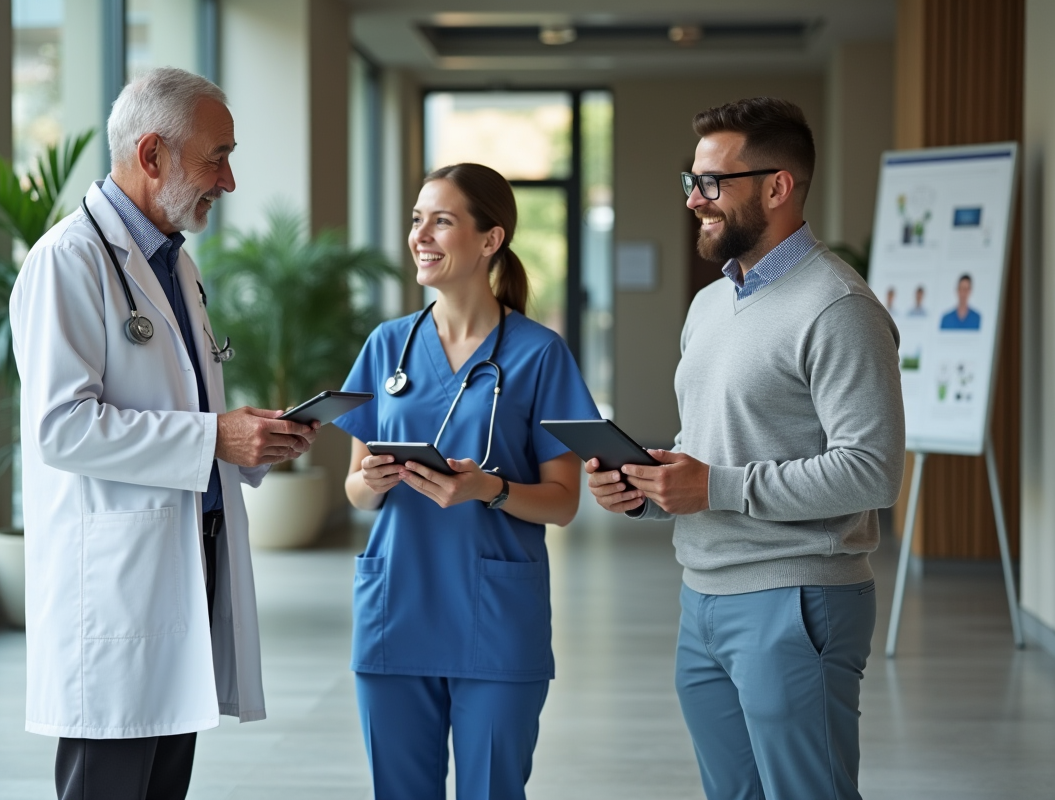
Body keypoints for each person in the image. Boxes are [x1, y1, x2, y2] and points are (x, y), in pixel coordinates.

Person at [10, 67, 319, 800]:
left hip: (183, 572)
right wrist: (215, 437)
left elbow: (184, 407)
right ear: (152, 155)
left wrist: (253, 439)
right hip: (114, 594)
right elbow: (61, 428)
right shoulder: (70, 260)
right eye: (219, 157)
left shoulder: (172, 263)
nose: (230, 181)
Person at [589, 98, 904, 800]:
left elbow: (873, 470)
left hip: (795, 598)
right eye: (691, 181)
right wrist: (647, 490)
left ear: (777, 187)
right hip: (701, 596)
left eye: (713, 183)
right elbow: (715, 449)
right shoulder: (709, 305)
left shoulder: (839, 308)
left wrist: (717, 488)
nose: (696, 200)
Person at [333, 162, 599, 800]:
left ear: (490, 240)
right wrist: (373, 479)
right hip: (397, 611)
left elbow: (564, 503)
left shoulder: (539, 354)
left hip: (495, 621)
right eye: (417, 220)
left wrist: (491, 489)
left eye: (442, 221)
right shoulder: (387, 345)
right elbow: (355, 490)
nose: (421, 235)